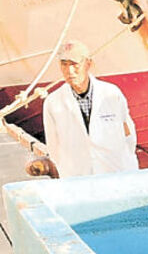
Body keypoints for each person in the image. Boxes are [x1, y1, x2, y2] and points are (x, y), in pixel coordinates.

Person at [41, 40, 138, 177]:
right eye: (64, 64)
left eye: (75, 64)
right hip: (77, 178)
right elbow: (53, 147)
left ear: (88, 63)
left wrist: (127, 166)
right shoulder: (53, 102)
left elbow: (128, 134)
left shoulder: (111, 93)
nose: (69, 71)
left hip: (115, 173)